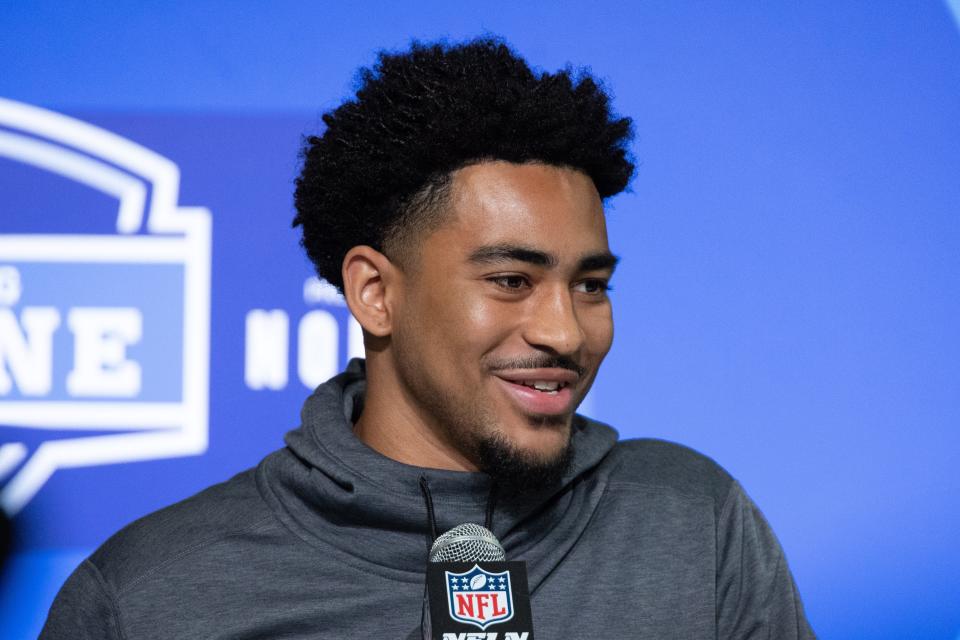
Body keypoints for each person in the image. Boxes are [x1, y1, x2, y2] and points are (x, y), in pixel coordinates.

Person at [41, 38, 816, 639]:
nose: (564, 330)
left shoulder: (692, 521)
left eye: (591, 285)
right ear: (375, 293)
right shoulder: (149, 594)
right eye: (512, 280)